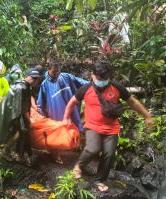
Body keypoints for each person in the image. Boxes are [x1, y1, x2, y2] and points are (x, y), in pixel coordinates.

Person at [63, 61, 153, 192]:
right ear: (92, 75)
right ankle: (78, 166)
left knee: (109, 154)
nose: (102, 81)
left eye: (105, 79)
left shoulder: (117, 87)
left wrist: (147, 116)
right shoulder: (86, 88)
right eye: (99, 79)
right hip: (93, 126)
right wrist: (65, 118)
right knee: (92, 149)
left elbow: (132, 102)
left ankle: (99, 179)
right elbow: (72, 102)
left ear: (109, 76)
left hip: (111, 128)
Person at [0, 68, 42, 165]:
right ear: (26, 76)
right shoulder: (22, 87)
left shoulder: (23, 85)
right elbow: (23, 108)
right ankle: (7, 150)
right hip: (12, 112)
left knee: (21, 130)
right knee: (21, 131)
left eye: (36, 78)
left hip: (12, 111)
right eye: (33, 78)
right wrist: (28, 120)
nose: (35, 80)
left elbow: (24, 105)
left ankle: (16, 153)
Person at [37, 60, 88, 131]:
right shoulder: (44, 85)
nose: (57, 73)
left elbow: (82, 82)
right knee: (62, 135)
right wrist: (44, 117)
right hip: (56, 114)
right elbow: (40, 104)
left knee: (75, 131)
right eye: (54, 71)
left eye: (58, 71)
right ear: (48, 69)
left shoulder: (66, 76)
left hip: (72, 112)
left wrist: (93, 85)